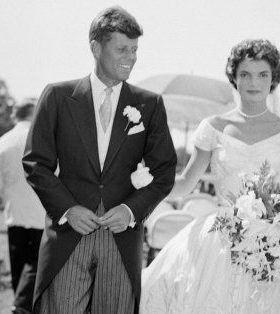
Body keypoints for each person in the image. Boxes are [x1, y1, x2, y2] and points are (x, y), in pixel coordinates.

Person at [140, 39, 280, 313]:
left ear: (274, 79)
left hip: (274, 241)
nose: (253, 82)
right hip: (218, 237)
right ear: (234, 78)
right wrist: (147, 183)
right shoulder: (212, 127)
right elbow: (186, 184)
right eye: (245, 74)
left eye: (262, 74)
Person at [22, 6, 177, 313]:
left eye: (134, 50)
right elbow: (35, 163)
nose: (130, 58)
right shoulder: (56, 96)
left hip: (121, 239)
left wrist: (131, 210)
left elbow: (164, 171)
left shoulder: (149, 104)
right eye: (122, 49)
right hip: (69, 236)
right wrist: (67, 209)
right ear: (96, 47)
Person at [0, 102, 45, 314]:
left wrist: (8, 197)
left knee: (18, 265)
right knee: (38, 264)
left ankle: (19, 302)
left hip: (14, 213)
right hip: (41, 212)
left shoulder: (2, 141)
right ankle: (25, 307)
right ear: (34, 114)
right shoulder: (43, 137)